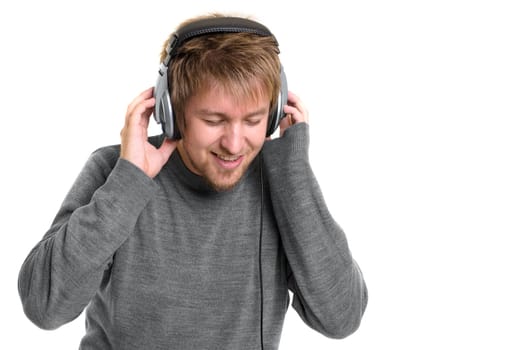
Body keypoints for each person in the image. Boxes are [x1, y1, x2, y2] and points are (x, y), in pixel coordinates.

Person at [18, 13, 368, 350]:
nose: (234, 144)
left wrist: (293, 173)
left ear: (275, 113)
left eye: (253, 120)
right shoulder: (116, 171)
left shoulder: (283, 183)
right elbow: (44, 307)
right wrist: (129, 182)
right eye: (214, 120)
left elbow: (341, 317)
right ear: (171, 111)